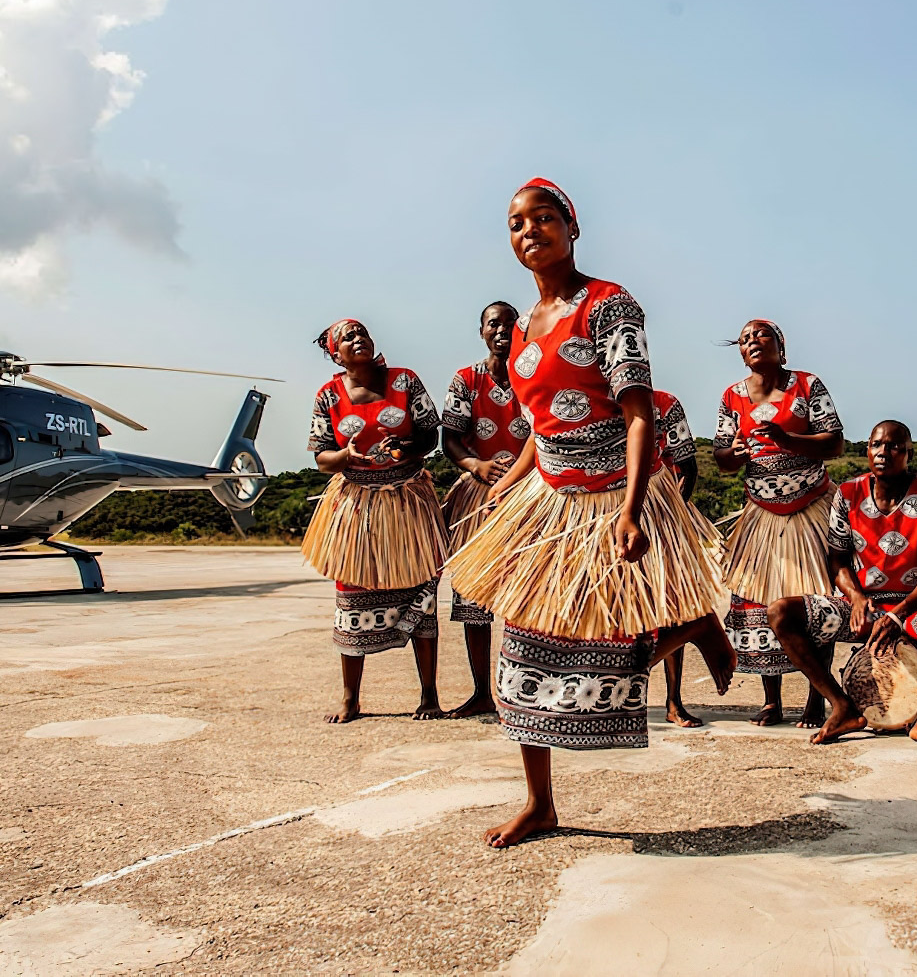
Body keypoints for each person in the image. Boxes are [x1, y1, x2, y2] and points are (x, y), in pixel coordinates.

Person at [445, 178, 736, 848]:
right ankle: (539, 803)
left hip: (614, 492)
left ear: (572, 228)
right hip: (548, 501)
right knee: (520, 649)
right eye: (516, 223)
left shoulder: (609, 306)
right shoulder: (520, 330)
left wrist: (632, 510)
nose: (529, 231)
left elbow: (639, 416)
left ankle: (692, 624)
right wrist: (502, 493)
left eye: (544, 218)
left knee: (607, 652)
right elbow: (537, 432)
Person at [765, 421, 917, 750]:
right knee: (781, 612)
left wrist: (899, 615)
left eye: (894, 447)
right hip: (868, 610)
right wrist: (857, 598)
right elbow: (839, 563)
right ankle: (842, 707)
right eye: (876, 445)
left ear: (909, 453)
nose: (884, 452)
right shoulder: (847, 495)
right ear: (867, 450)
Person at [301, 319, 446, 723]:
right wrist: (346, 457)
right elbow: (320, 457)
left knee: (421, 592)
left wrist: (404, 447)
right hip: (358, 508)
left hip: (407, 504)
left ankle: (429, 694)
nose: (357, 338)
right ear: (335, 354)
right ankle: (351, 698)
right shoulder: (328, 395)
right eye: (346, 336)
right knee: (351, 594)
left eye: (361, 331)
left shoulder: (405, 381)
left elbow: (429, 436)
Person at [712, 319, 845, 727]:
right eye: (745, 338)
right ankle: (772, 699)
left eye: (762, 335)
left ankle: (817, 698)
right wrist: (732, 453)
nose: (752, 341)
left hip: (812, 507)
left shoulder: (807, 385)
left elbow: (836, 442)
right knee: (758, 600)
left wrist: (788, 440)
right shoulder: (732, 396)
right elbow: (722, 460)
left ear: (780, 345)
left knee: (815, 598)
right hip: (761, 513)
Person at [440, 301, 530, 718]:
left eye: (510, 323)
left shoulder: (532, 376)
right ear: (482, 331)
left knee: (527, 596)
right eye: (494, 324)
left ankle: (524, 689)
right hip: (480, 495)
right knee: (475, 599)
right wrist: (477, 465)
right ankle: (481, 691)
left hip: (530, 497)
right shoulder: (465, 380)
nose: (503, 330)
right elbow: (451, 440)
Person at [650, 387, 707, 727]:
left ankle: (673, 702)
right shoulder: (592, 400)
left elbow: (688, 467)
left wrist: (671, 513)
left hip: (664, 515)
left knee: (671, 609)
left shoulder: (665, 405)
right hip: (605, 517)